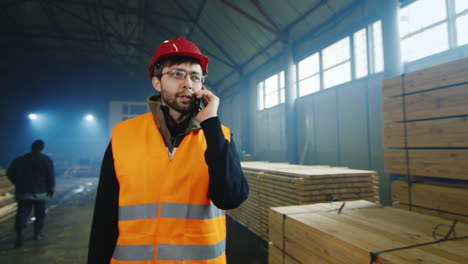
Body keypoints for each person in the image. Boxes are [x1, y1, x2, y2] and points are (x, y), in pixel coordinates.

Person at [88, 36, 249, 264]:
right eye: (177, 74)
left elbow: (231, 198)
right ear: (156, 82)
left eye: (195, 76)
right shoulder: (124, 135)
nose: (188, 83)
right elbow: (105, 217)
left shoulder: (218, 135)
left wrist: (210, 124)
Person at [7, 139, 55, 248]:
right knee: (40, 214)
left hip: (23, 193)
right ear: (42, 148)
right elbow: (50, 176)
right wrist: (51, 189)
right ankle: (37, 233)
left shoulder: (19, 160)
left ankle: (19, 234)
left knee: (22, 214)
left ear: (31, 147)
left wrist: (17, 183)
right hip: (40, 193)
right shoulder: (46, 160)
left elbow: (10, 172)